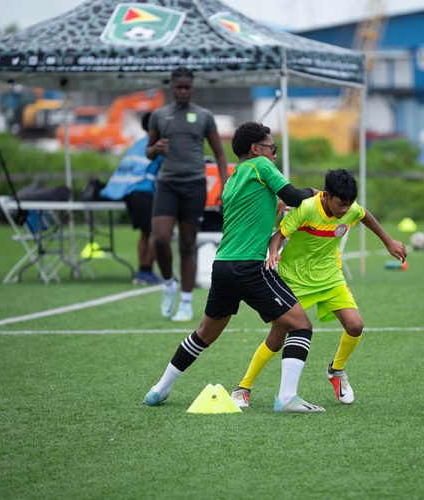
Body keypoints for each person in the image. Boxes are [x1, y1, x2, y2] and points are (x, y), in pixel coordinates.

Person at [143, 121, 326, 413]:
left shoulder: (232, 178)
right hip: (249, 266)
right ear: (256, 149)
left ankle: (158, 390)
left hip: (223, 266)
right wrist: (317, 193)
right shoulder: (261, 167)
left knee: (204, 333)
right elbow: (293, 196)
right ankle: (287, 398)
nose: (274, 155)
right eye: (272, 148)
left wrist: (274, 208)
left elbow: (252, 214)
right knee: (301, 326)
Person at [230, 169, 407, 408]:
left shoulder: (350, 209)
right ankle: (243, 387)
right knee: (276, 338)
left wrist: (389, 241)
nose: (345, 210)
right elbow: (278, 236)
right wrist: (273, 254)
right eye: (340, 204)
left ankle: (336, 371)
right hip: (294, 279)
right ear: (326, 196)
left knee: (355, 326)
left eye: (349, 204)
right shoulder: (307, 209)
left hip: (330, 277)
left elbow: (365, 215)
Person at [147, 68, 228, 322]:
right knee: (159, 239)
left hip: (194, 184)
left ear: (192, 88)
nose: (183, 91)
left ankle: (185, 301)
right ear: (172, 87)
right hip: (167, 183)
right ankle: (169, 283)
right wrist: (155, 148)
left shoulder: (204, 116)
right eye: (178, 87)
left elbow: (220, 154)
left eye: (187, 87)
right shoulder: (159, 116)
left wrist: (226, 187)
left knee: (186, 243)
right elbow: (148, 152)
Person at [99, 112, 162, 285]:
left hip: (130, 193)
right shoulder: (158, 144)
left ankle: (144, 271)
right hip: (143, 192)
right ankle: (145, 271)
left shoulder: (138, 144)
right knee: (157, 233)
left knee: (146, 233)